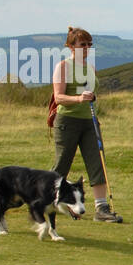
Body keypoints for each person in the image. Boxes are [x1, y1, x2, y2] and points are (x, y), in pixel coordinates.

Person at [51, 26, 122, 222]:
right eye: (83, 44)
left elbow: (91, 93)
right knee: (62, 163)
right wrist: (79, 99)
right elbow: (58, 98)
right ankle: (48, 200)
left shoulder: (90, 68)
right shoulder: (63, 67)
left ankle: (101, 209)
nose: (87, 47)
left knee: (97, 162)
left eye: (90, 44)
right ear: (71, 46)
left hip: (90, 121)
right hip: (67, 121)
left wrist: (90, 100)